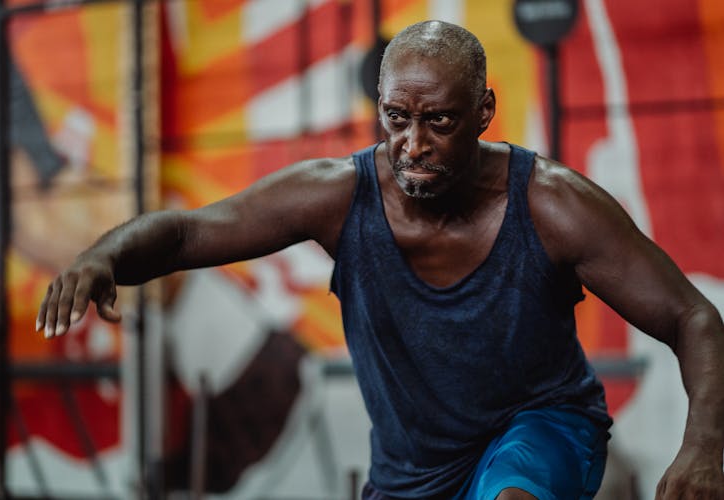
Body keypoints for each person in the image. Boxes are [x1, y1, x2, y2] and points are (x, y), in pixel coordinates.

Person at [36, 21, 724, 500]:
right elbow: (189, 234)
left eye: (440, 122)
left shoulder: (552, 206)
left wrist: (703, 447)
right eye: (397, 118)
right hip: (411, 471)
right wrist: (104, 255)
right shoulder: (337, 195)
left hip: (540, 429)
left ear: (484, 110)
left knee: (514, 491)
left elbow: (693, 317)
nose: (413, 144)